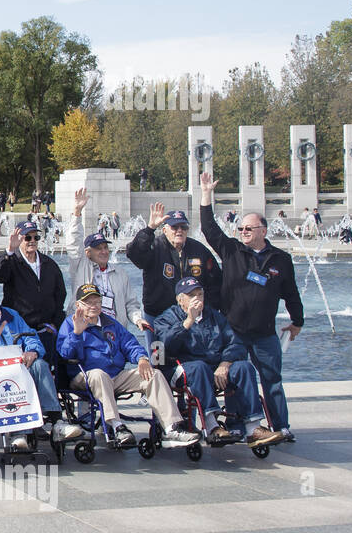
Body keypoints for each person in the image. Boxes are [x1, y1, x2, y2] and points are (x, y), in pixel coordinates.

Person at [199, 172, 303, 442]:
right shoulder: (232, 250)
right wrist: (206, 195)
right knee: (235, 378)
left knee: (273, 380)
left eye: (249, 229)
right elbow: (209, 229)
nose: (243, 232)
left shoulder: (280, 259)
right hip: (233, 330)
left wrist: (297, 321)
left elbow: (290, 292)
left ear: (263, 231)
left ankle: (281, 425)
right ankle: (235, 424)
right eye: (241, 228)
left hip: (265, 332)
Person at [57, 284, 199, 448]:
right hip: (85, 376)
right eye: (89, 302)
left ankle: (171, 428)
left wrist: (142, 358)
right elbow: (64, 354)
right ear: (78, 305)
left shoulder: (111, 323)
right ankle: (117, 426)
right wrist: (77, 334)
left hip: (115, 375)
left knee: (154, 374)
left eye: (97, 301)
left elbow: (130, 344)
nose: (94, 306)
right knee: (98, 374)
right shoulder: (70, 323)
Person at [0, 282, 85, 452]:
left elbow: (30, 335)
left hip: (19, 368)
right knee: (13, 376)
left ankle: (57, 423)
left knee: (40, 364)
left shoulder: (11, 315)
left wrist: (32, 351)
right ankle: (19, 432)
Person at [153, 277, 273, 446]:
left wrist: (225, 363)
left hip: (214, 367)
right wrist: (188, 321)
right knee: (199, 368)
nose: (197, 299)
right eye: (191, 295)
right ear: (180, 299)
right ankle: (212, 426)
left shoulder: (215, 316)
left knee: (244, 367)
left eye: (200, 294)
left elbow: (236, 343)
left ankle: (253, 428)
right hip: (180, 368)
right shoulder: (166, 318)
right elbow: (165, 346)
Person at [127, 203, 222, 343]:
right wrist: (149, 229)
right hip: (157, 316)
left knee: (189, 358)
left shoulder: (199, 250)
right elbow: (134, 254)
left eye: (183, 227)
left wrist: (207, 309)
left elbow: (216, 281)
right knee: (158, 359)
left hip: (192, 316)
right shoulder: (154, 247)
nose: (179, 231)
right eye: (174, 227)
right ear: (165, 230)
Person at [64, 188, 144, 332]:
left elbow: (131, 303)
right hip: (86, 328)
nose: (104, 251)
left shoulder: (120, 273)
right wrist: (77, 213)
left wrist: (138, 319)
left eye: (105, 247)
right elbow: (74, 243)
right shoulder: (81, 266)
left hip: (114, 329)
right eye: (98, 248)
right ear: (88, 253)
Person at [0, 219, 66, 360]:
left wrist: (55, 323)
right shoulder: (11, 260)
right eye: (27, 237)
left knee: (48, 371)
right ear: (20, 239)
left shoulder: (49, 264)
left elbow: (60, 294)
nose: (32, 241)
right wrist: (10, 251)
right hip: (19, 332)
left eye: (36, 237)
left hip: (45, 331)